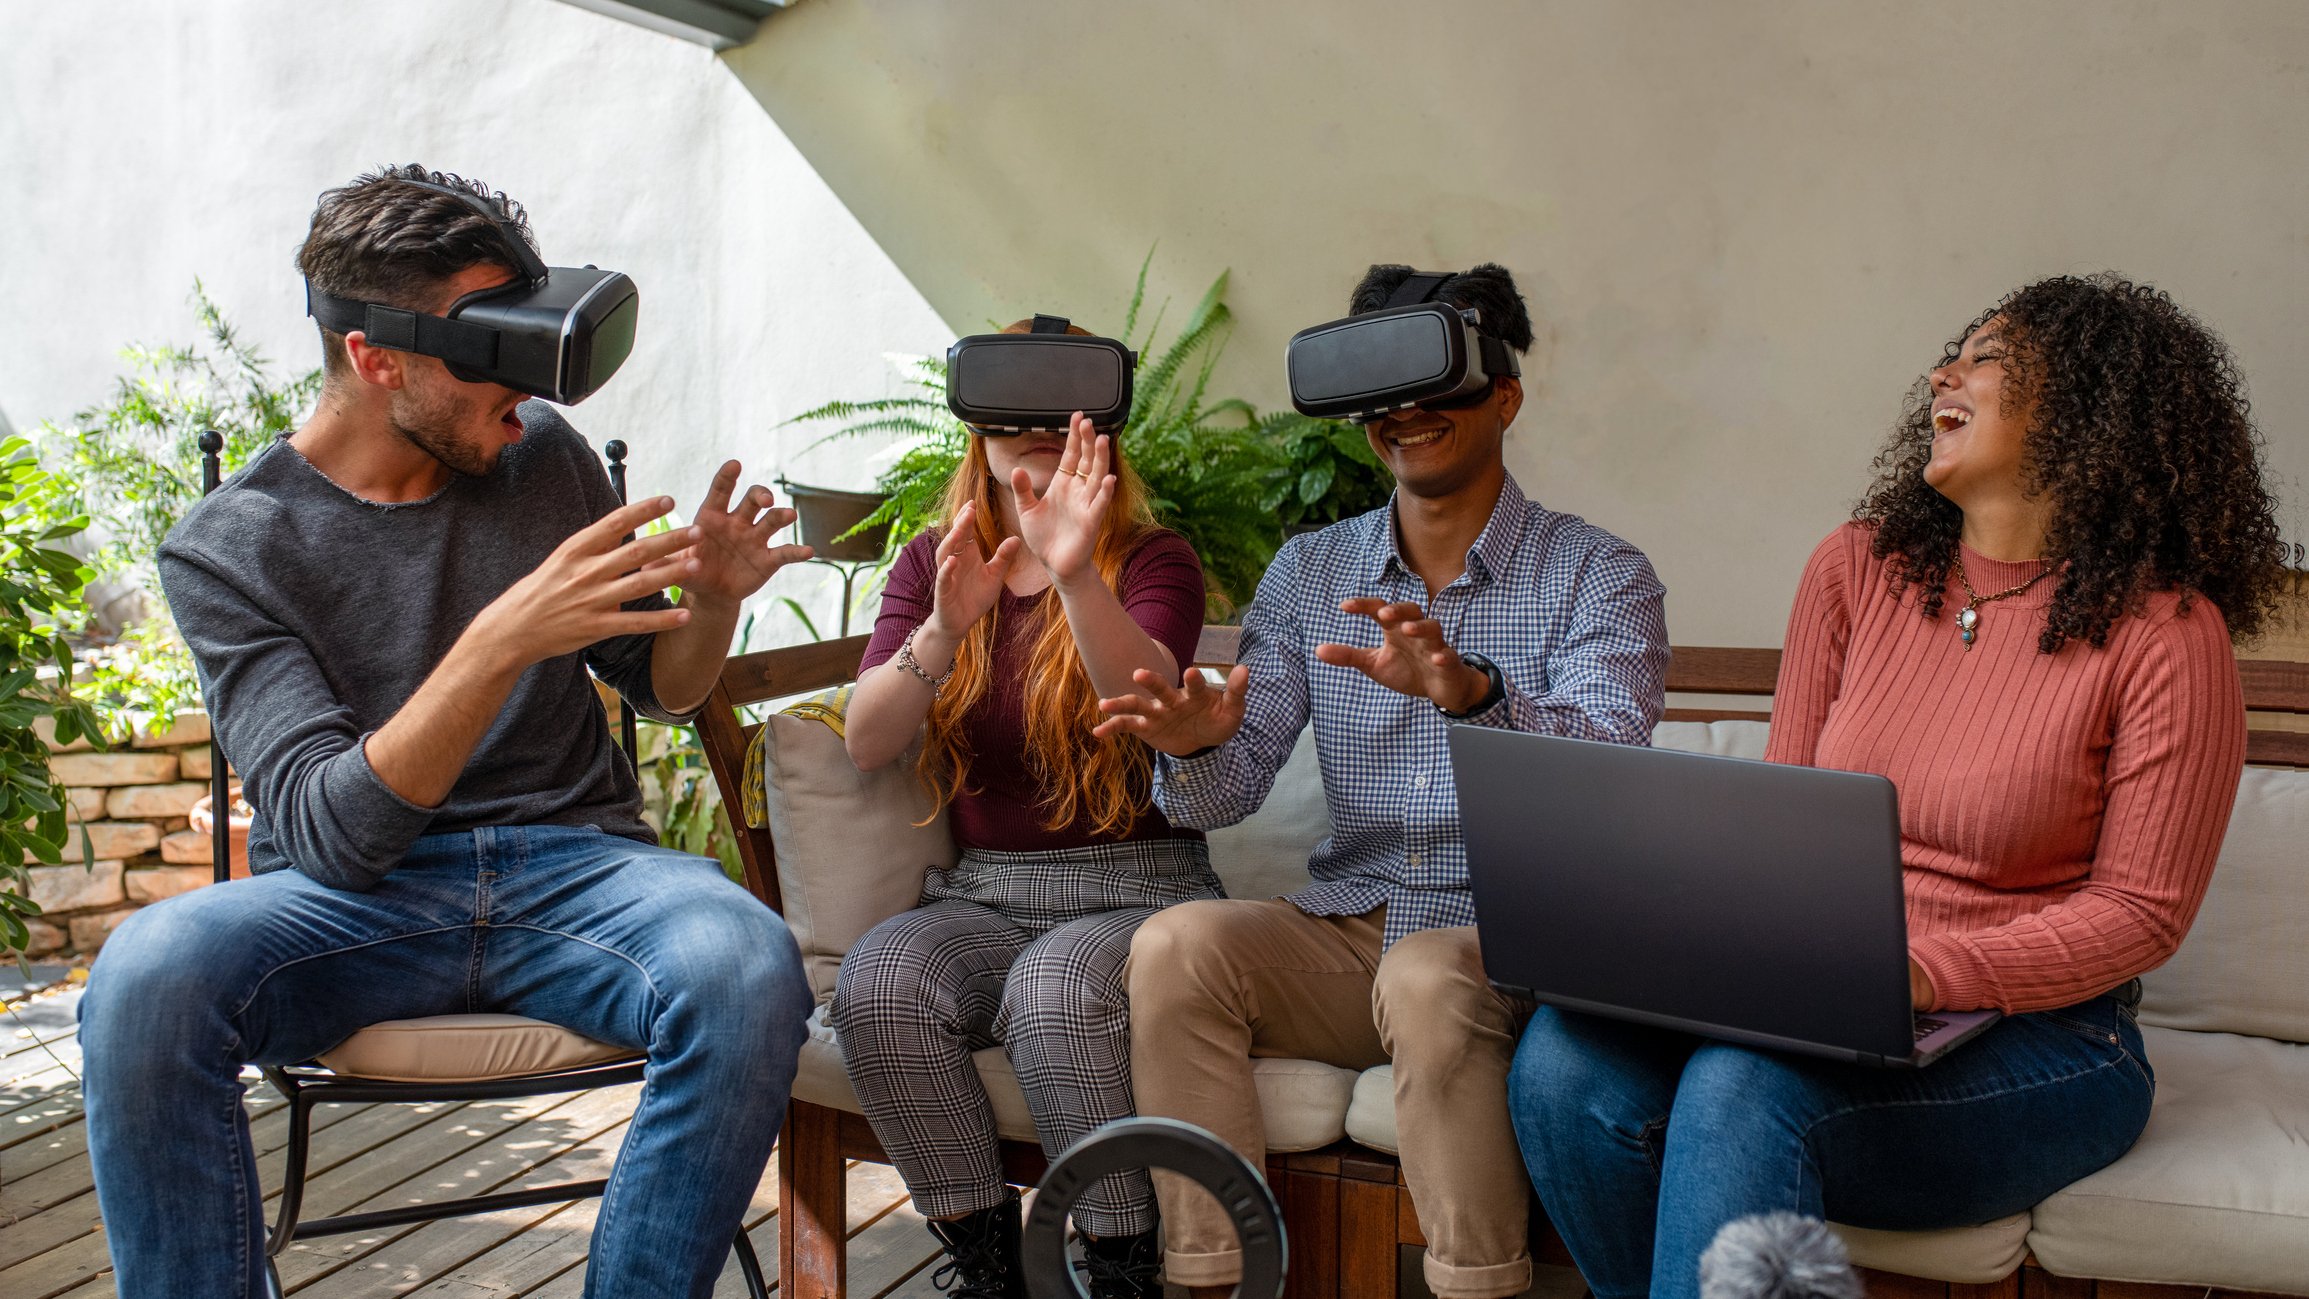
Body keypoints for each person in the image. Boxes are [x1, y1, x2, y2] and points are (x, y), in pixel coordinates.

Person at [75, 166, 816, 1299]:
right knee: (144, 976)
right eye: (489, 353)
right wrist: (498, 641)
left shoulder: (538, 456)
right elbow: (334, 837)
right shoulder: (232, 549)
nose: (519, 392)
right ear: (376, 357)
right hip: (353, 905)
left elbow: (659, 685)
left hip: (574, 869)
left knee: (744, 963)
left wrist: (710, 603)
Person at [1507, 273, 2296, 1299]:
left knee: (1741, 1087)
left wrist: (1921, 974)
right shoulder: (1852, 570)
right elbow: (1777, 830)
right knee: (1564, 1061)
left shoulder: (2165, 636)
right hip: (1820, 1003)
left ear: (2088, 408)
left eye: (1984, 358)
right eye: (1948, 353)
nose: (1942, 373)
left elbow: (2137, 914)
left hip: (2042, 1042)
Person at [1097, 264, 1671, 1299]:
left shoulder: (1599, 574)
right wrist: (1191, 743)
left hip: (1525, 940)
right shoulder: (1312, 573)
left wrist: (1471, 695)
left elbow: (1608, 775)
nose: (1405, 411)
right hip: (1359, 927)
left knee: (1424, 976)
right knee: (1177, 945)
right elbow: (1223, 795)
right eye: (1383, 386)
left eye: (1436, 380)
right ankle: (1216, 1282)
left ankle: (1476, 1286)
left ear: (1503, 394)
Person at [831, 330, 1214, 1299]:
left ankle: (1121, 1269)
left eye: (1060, 413)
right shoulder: (936, 560)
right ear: (974, 430)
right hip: (987, 892)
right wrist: (942, 626)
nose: (1033, 437)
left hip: (1140, 891)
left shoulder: (1153, 560)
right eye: (1009, 417)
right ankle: (990, 1269)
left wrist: (1076, 570)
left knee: (1051, 990)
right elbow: (865, 741)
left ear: (1102, 431)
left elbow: (1143, 702)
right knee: (878, 982)